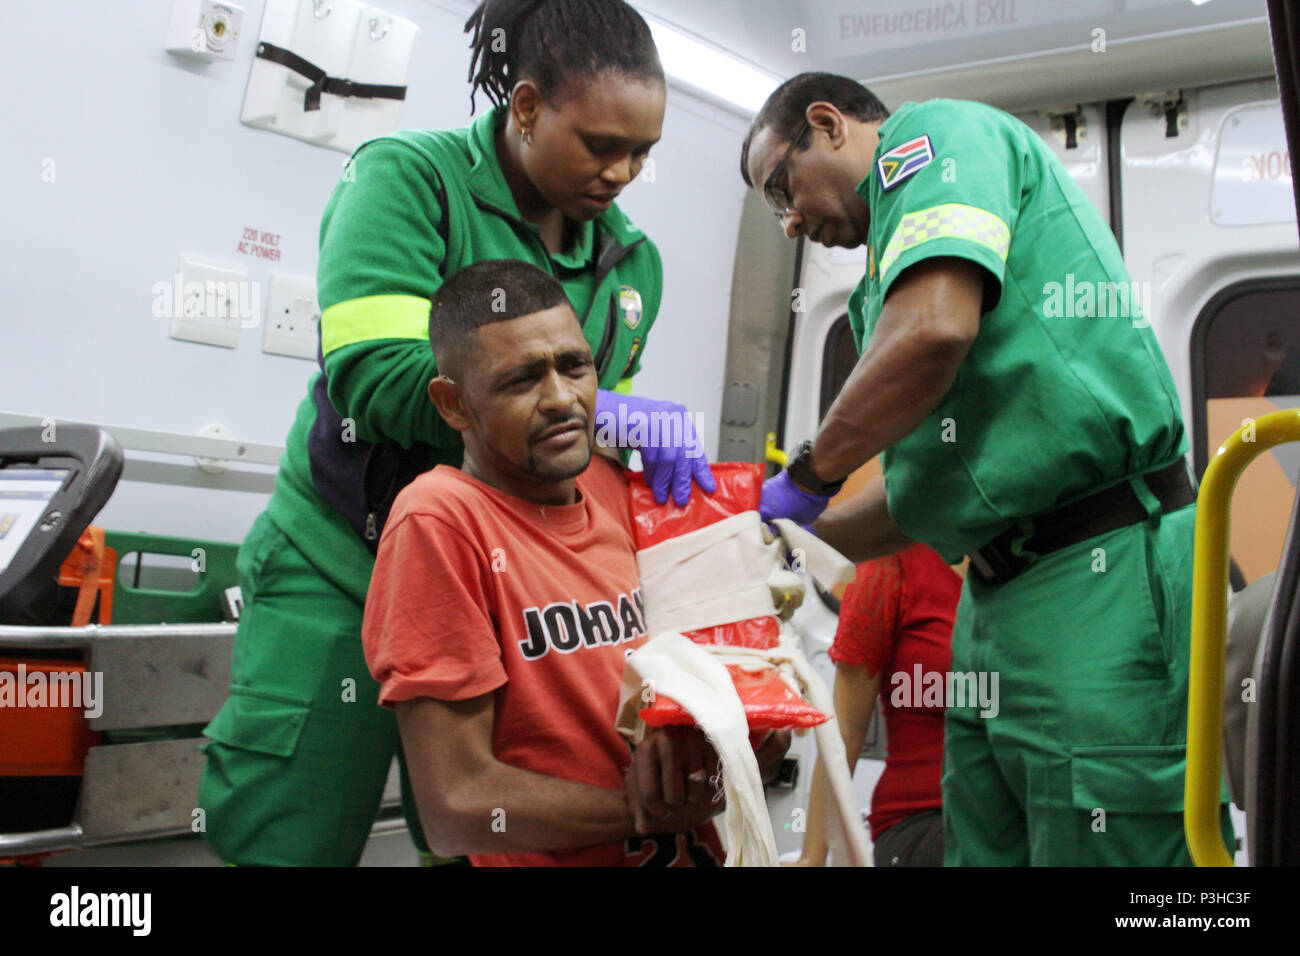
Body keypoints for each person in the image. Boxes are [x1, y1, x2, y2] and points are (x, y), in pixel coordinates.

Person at [199, 0, 715, 867]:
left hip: (509, 600)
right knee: (293, 825)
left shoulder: (632, 264)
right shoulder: (408, 182)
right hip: (347, 564)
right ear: (524, 107)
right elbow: (375, 378)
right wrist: (607, 413)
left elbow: (570, 461)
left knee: (494, 834)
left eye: (643, 152)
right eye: (599, 144)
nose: (623, 172)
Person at [742, 73, 1234, 865]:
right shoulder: (883, 289)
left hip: (1099, 569)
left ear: (828, 125)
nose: (792, 220)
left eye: (780, 188)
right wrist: (786, 518)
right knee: (984, 844)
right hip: (998, 598)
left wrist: (810, 470)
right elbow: (917, 500)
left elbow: (934, 332)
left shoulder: (932, 139)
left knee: (1120, 847)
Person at [363, 259, 746, 865]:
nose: (562, 399)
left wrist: (743, 748)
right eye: (520, 381)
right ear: (454, 405)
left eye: (576, 366)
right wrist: (655, 808)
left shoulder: (615, 488)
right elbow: (457, 807)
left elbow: (737, 683)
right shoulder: (442, 521)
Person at [791, 544, 959, 867]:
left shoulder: (1037, 557)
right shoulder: (893, 562)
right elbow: (845, 730)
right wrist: (812, 856)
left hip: (1017, 811)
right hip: (922, 818)